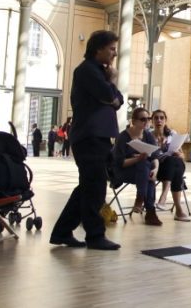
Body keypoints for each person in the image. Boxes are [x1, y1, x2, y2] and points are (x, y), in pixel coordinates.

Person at [50, 30, 123, 250]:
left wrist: (112, 91)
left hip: (96, 136)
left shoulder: (99, 72)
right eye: (111, 48)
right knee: (95, 187)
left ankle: (62, 232)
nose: (114, 53)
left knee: (88, 187)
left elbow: (119, 100)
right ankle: (95, 235)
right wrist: (111, 83)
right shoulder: (87, 71)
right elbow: (111, 97)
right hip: (89, 136)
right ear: (98, 48)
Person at [112, 107, 162, 226]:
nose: (146, 122)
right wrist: (137, 159)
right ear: (133, 121)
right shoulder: (123, 137)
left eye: (148, 119)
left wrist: (155, 169)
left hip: (142, 173)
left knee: (147, 171)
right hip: (123, 171)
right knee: (144, 167)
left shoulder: (148, 135)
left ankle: (140, 199)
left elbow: (155, 157)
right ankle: (150, 212)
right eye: (142, 119)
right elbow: (120, 163)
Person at [151, 109, 190, 222]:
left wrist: (179, 154)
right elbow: (149, 156)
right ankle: (179, 210)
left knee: (176, 161)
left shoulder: (172, 134)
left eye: (161, 118)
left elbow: (182, 156)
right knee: (174, 164)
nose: (159, 120)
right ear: (152, 121)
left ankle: (164, 195)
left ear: (165, 120)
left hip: (172, 168)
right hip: (157, 169)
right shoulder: (148, 135)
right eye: (156, 118)